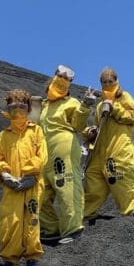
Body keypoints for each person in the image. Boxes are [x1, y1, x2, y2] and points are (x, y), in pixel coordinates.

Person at [0, 89, 47, 266]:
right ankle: (9, 260)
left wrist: (30, 174)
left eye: (22, 106)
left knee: (31, 219)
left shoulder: (36, 131)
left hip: (32, 185)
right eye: (13, 107)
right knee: (11, 220)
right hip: (12, 186)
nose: (18, 111)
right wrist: (5, 175)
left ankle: (32, 258)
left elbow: (42, 154)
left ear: (29, 108)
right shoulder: (4, 135)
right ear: (8, 108)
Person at [39, 65, 96, 243]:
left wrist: (85, 104)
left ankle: (73, 229)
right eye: (59, 76)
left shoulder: (71, 103)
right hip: (43, 150)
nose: (61, 80)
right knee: (39, 192)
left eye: (66, 79)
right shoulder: (44, 105)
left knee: (67, 185)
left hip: (63, 145)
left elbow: (78, 125)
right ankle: (51, 228)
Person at [83, 67, 134, 219]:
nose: (107, 84)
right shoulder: (99, 105)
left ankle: (133, 209)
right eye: (104, 82)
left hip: (119, 146)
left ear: (116, 81)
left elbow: (132, 116)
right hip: (100, 149)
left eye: (110, 81)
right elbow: (100, 125)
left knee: (122, 177)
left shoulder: (124, 97)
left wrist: (114, 107)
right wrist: (90, 133)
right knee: (93, 179)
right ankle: (87, 213)